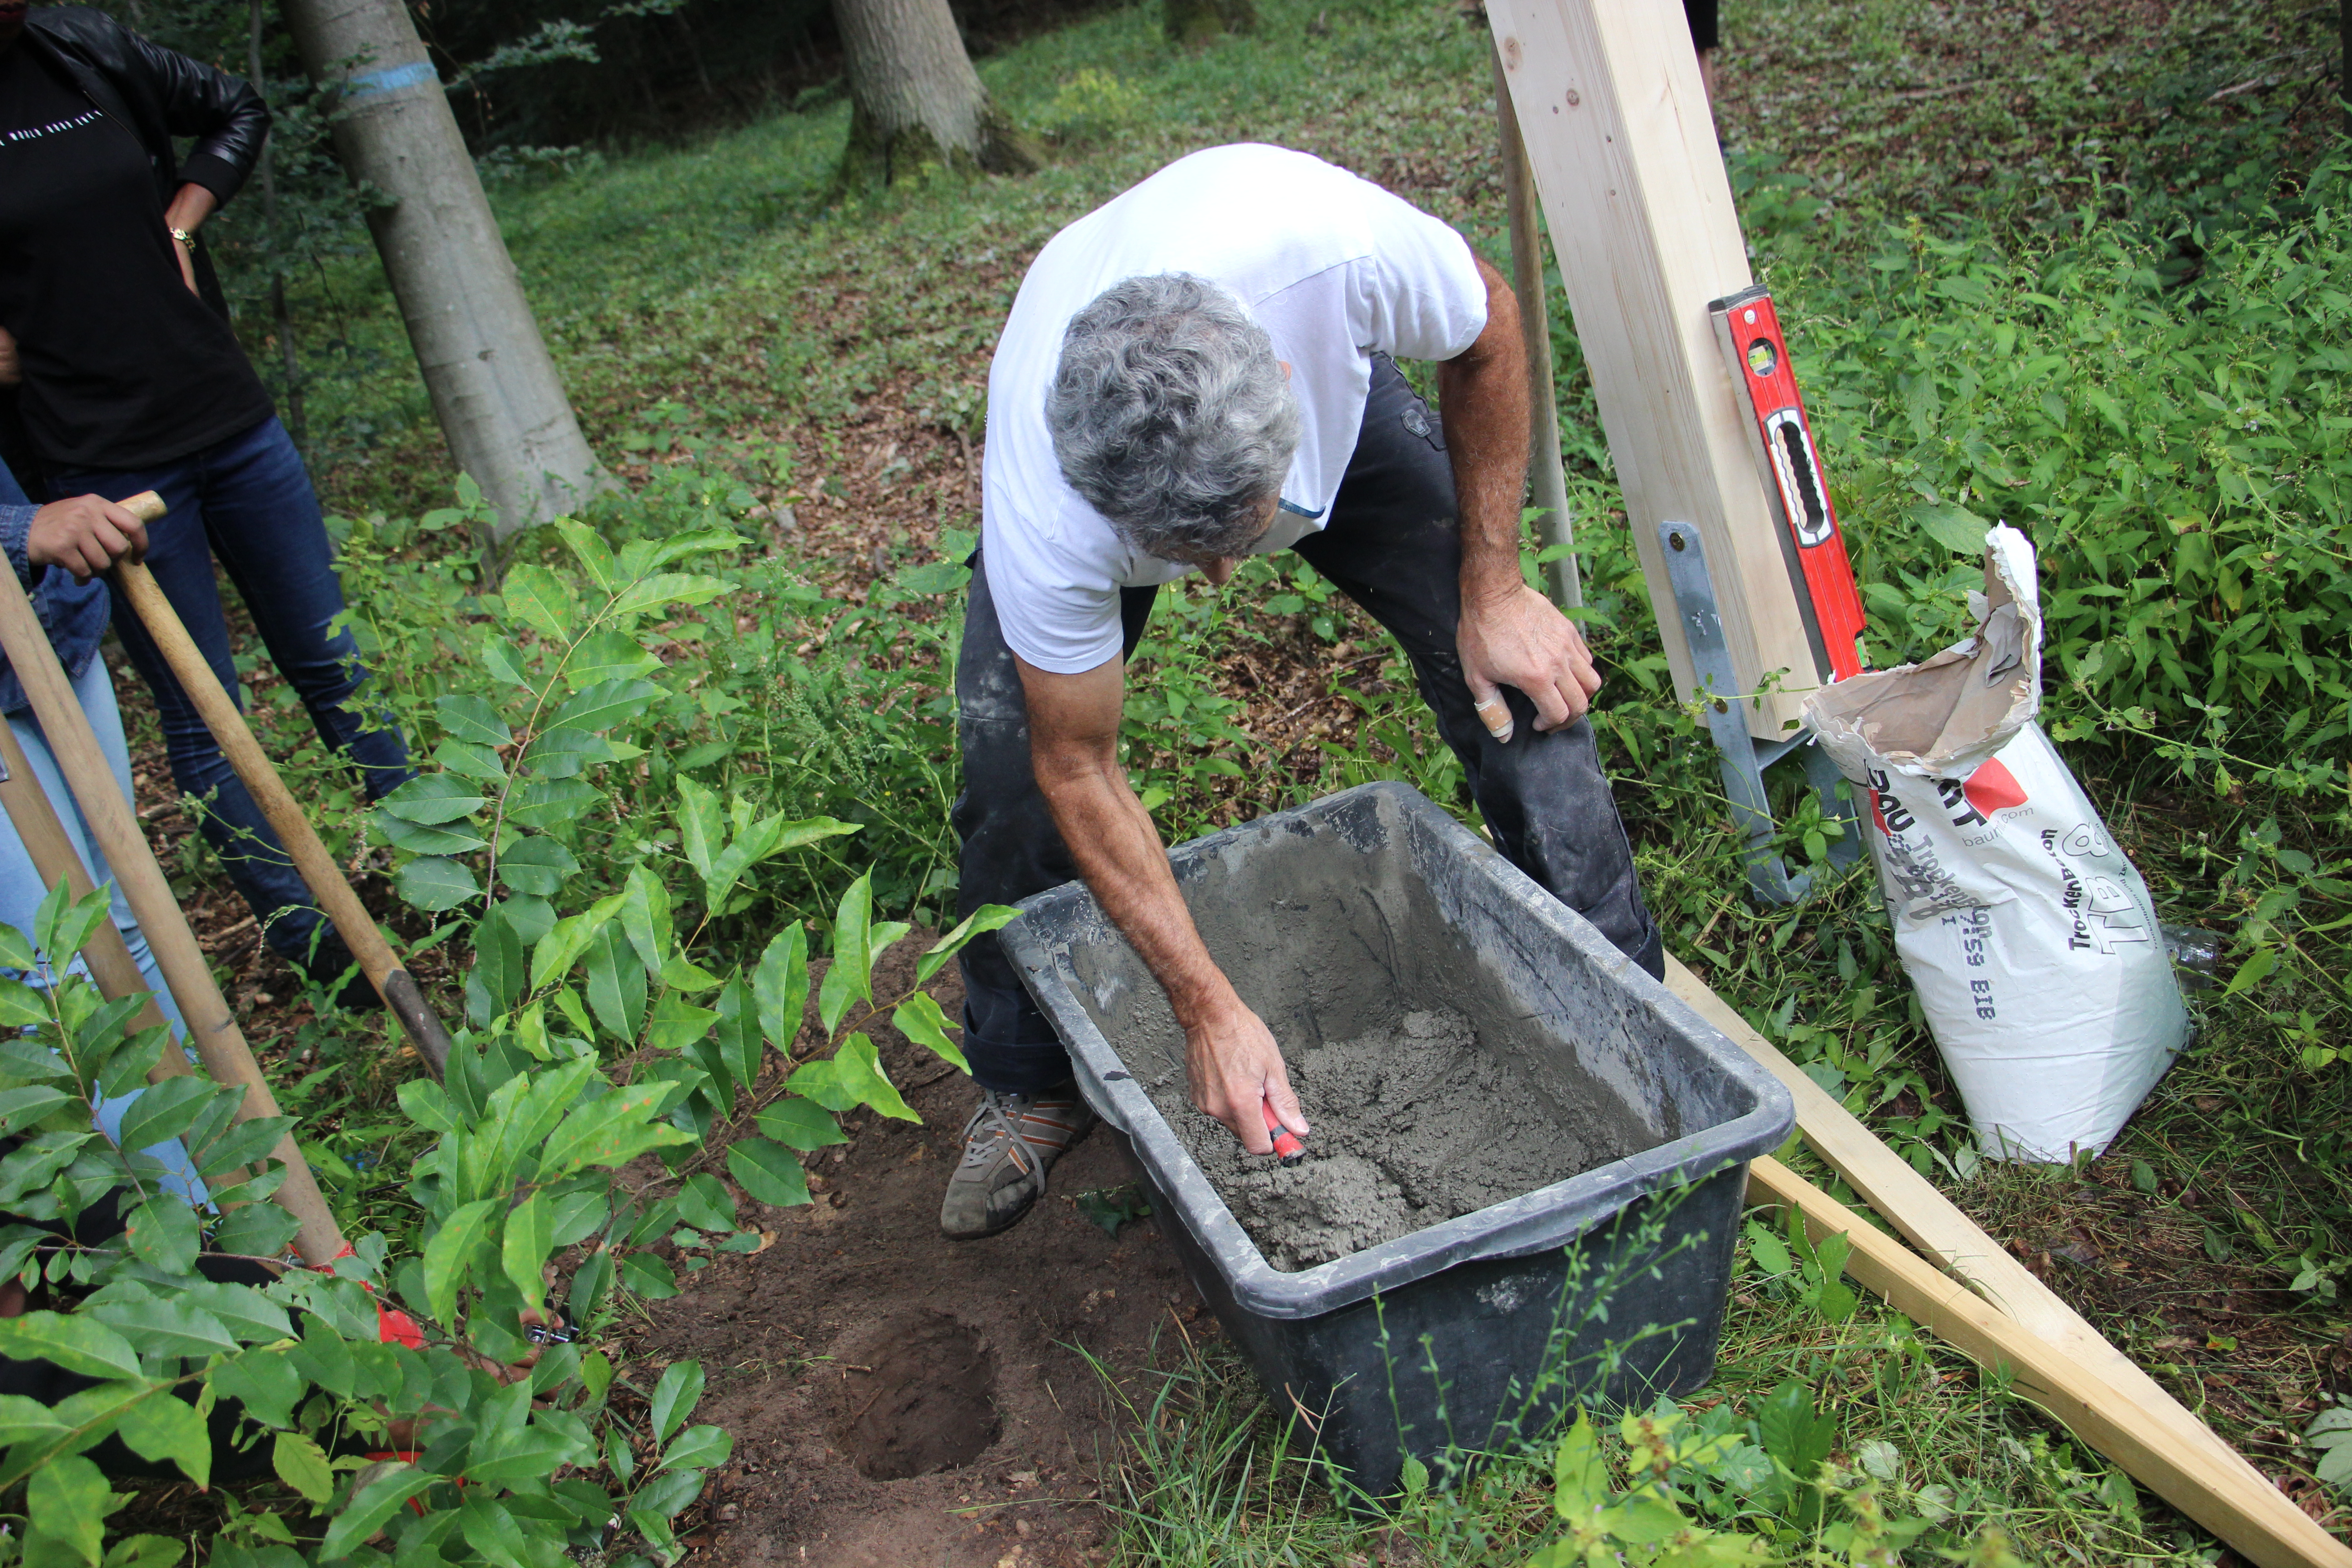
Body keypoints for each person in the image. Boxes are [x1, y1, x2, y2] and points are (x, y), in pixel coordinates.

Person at [942, 144, 1663, 1240]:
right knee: (1012, 778)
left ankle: (1627, 1005)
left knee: (1516, 672)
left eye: (1238, 538)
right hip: (1131, 437)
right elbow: (1079, 767)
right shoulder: (1055, 511)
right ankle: (1026, 1074)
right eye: (1189, 556)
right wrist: (1207, 1006)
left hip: (1276, 392)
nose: (1227, 581)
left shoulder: (1334, 258)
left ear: (1289, 386)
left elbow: (1490, 329)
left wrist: (1498, 583)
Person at [0, 1, 407, 1004]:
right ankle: (317, 950)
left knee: (333, 657)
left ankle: (458, 867)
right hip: (99, 466)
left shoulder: (78, 47)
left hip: (225, 415)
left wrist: (181, 221)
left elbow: (235, 106)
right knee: (205, 716)